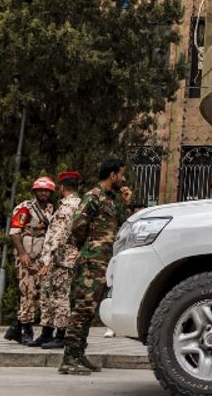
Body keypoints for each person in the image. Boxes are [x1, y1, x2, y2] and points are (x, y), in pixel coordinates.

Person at [59, 159, 131, 376]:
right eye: (122, 174)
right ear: (112, 175)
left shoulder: (112, 200)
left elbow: (122, 227)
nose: (124, 178)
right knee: (82, 310)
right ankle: (69, 360)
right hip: (92, 262)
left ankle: (79, 354)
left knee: (89, 313)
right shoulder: (93, 197)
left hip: (105, 263)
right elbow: (77, 227)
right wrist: (89, 248)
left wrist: (126, 203)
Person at [30, 171, 82, 350]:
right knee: (48, 294)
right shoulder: (77, 204)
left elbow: (58, 235)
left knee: (59, 296)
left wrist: (47, 260)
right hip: (62, 258)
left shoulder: (67, 207)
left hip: (60, 259)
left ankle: (60, 334)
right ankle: (46, 332)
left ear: (62, 188)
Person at [4, 176, 56, 345]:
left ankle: (15, 328)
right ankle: (26, 330)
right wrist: (22, 254)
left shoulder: (50, 209)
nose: (43, 193)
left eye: (46, 190)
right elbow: (14, 232)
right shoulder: (25, 208)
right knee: (28, 292)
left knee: (40, 294)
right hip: (26, 255)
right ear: (34, 191)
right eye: (40, 190)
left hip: (41, 256)